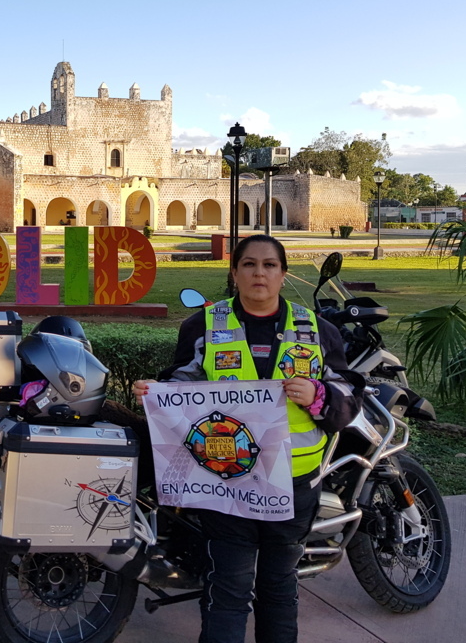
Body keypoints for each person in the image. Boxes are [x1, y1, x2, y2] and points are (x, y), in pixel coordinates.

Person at [133, 234, 364, 643]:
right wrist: (157, 391)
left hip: (295, 483)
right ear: (234, 272)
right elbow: (184, 383)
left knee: (279, 589)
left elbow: (349, 396)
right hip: (226, 483)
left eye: (270, 265)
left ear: (283, 273)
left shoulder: (316, 330)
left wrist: (319, 395)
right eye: (250, 265)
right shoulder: (203, 324)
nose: (260, 273)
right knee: (228, 589)